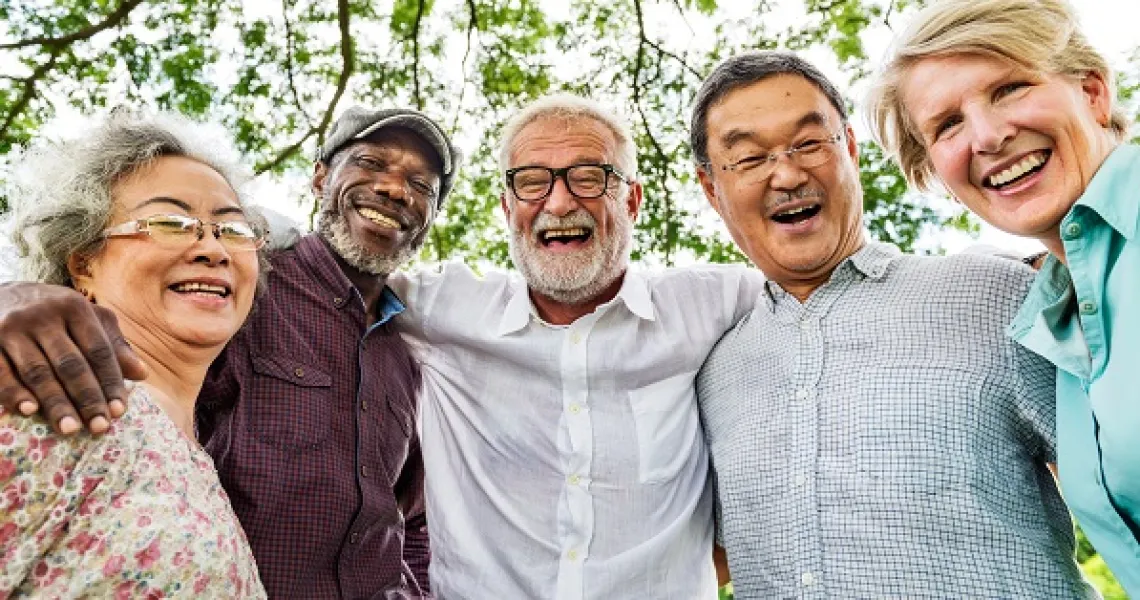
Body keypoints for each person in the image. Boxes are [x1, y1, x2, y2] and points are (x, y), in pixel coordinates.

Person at [0, 106, 462, 598]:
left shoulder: (411, 354)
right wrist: (19, 293)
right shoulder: (243, 289)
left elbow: (410, 517)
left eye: (422, 185)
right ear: (320, 177)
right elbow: (121, 304)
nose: (396, 189)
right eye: (371, 162)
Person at [691, 51, 1096, 598]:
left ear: (851, 151)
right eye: (748, 158)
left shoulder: (995, 294)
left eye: (810, 143)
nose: (787, 174)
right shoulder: (709, 373)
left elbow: (1122, 475)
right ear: (711, 188)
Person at [387, 94, 761, 598]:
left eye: (588, 177)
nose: (559, 203)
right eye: (532, 182)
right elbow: (316, 268)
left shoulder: (715, 304)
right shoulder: (440, 312)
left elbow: (821, 282)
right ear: (507, 207)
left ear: (631, 200)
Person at [866, 0, 1140, 591]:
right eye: (947, 125)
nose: (988, 136)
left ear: (1092, 92)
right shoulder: (1055, 318)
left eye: (1011, 88)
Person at [0, 111, 266, 596]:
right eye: (168, 222)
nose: (213, 248)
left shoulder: (196, 458)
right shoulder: (42, 402)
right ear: (84, 265)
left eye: (232, 229)